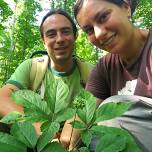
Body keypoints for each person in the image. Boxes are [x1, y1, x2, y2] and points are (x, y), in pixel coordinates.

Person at [0, 9, 93, 150]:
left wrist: (74, 128)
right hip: (33, 139)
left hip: (76, 144)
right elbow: (2, 98)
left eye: (66, 31)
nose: (60, 39)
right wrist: (41, 132)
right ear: (43, 41)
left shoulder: (91, 72)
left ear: (75, 36)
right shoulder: (32, 67)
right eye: (51, 34)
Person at [74, 0, 152, 151]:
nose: (98, 33)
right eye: (89, 30)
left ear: (126, 8)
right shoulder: (104, 67)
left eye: (103, 17)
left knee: (111, 114)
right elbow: (81, 117)